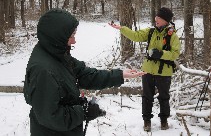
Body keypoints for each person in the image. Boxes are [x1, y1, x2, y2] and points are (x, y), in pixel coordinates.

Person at [23, 8, 145, 136]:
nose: (74, 41)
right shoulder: (44, 71)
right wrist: (83, 112)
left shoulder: (55, 52)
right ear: (57, 36)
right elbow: (51, 117)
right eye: (71, 36)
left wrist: (119, 75)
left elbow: (84, 75)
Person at [109, 7, 180, 131]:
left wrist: (161, 54)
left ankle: (164, 121)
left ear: (166, 21)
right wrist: (122, 28)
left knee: (164, 97)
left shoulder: (172, 35)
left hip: (164, 72)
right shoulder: (150, 32)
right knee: (147, 97)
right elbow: (135, 36)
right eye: (156, 17)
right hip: (147, 70)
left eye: (159, 18)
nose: (156, 19)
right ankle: (147, 121)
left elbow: (175, 53)